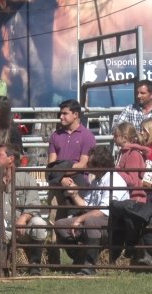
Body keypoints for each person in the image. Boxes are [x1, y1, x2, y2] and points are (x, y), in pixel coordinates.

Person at [0, 144, 47, 276]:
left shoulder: (26, 178)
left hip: (20, 229)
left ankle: (35, 265)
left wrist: (23, 218)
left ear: (10, 159)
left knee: (39, 224)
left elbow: (34, 203)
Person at [54, 145, 129, 275]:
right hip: (97, 219)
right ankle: (80, 258)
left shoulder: (114, 180)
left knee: (91, 222)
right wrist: (74, 194)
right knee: (60, 225)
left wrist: (79, 219)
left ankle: (89, 265)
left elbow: (103, 210)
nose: (87, 165)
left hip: (113, 224)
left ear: (99, 166)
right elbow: (87, 205)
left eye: (90, 163)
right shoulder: (97, 180)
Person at [46, 99, 96, 264]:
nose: (61, 117)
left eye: (65, 113)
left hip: (79, 183)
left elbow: (83, 164)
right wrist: (61, 179)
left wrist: (61, 175)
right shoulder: (55, 136)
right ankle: (53, 260)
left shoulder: (87, 136)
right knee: (53, 218)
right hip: (58, 184)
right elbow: (51, 163)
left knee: (80, 216)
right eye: (61, 113)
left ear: (76, 115)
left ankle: (80, 256)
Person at [114, 122, 148, 203]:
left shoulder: (133, 154)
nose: (113, 138)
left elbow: (132, 181)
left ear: (124, 138)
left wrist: (117, 170)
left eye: (115, 136)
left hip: (134, 200)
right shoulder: (122, 152)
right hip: (126, 198)